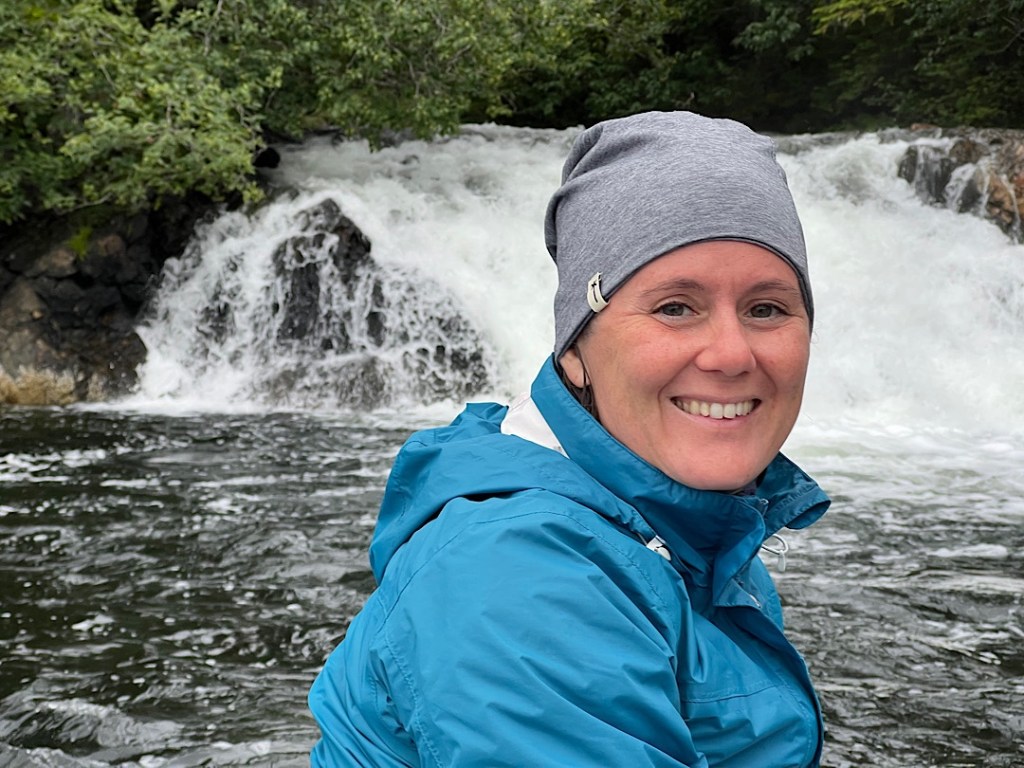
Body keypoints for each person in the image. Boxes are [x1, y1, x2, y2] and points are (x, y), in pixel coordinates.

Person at [308, 111, 831, 767]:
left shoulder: (683, 524)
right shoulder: (518, 575)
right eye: (675, 307)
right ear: (576, 349)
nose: (730, 354)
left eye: (766, 308)